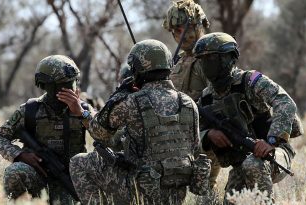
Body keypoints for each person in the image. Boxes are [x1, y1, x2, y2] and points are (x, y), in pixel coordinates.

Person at [63, 39, 210, 204]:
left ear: (138, 70)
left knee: (79, 162)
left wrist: (82, 112)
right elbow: (194, 149)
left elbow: (99, 133)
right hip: (176, 195)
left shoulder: (131, 102)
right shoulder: (188, 103)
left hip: (141, 191)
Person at [193, 32, 304, 204]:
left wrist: (271, 141)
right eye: (202, 59)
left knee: (253, 164)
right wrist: (208, 135)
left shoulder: (251, 80)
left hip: (274, 153)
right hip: (241, 163)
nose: (206, 64)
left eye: (212, 58)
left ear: (229, 58)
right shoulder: (206, 98)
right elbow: (193, 135)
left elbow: (285, 102)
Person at [0, 55, 92, 204]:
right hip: (38, 178)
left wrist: (82, 113)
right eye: (63, 85)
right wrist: (20, 154)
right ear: (47, 86)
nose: (70, 90)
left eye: (72, 84)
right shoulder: (30, 110)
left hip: (71, 179)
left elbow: (104, 134)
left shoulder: (83, 109)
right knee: (15, 172)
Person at [163, 0, 222, 199]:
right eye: (174, 31)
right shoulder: (177, 61)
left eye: (182, 29)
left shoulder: (210, 58)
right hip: (176, 137)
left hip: (205, 136)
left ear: (197, 26)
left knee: (205, 193)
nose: (179, 35)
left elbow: (221, 100)